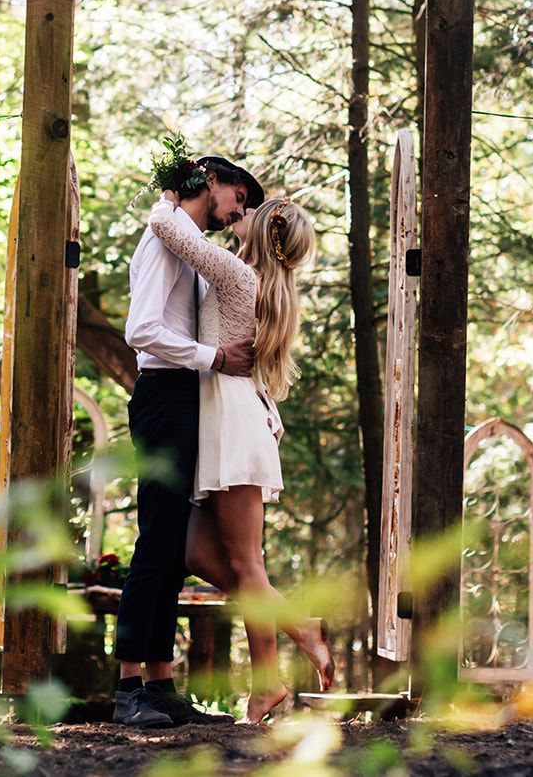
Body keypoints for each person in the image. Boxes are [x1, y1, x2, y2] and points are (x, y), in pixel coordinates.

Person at [146, 187, 335, 724]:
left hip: (232, 426)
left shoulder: (236, 273)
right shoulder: (246, 279)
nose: (239, 214)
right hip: (226, 422)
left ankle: (266, 685)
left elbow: (170, 230)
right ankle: (301, 628)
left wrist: (169, 195)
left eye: (251, 212)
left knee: (247, 564)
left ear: (266, 231)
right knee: (197, 556)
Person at [112, 155, 261, 729]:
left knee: (174, 544)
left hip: (188, 399)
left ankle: (161, 683)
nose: (238, 211)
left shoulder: (188, 243)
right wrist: (215, 358)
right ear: (212, 181)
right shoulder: (161, 244)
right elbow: (142, 330)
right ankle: (128, 689)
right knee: (155, 543)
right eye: (238, 197)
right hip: (164, 396)